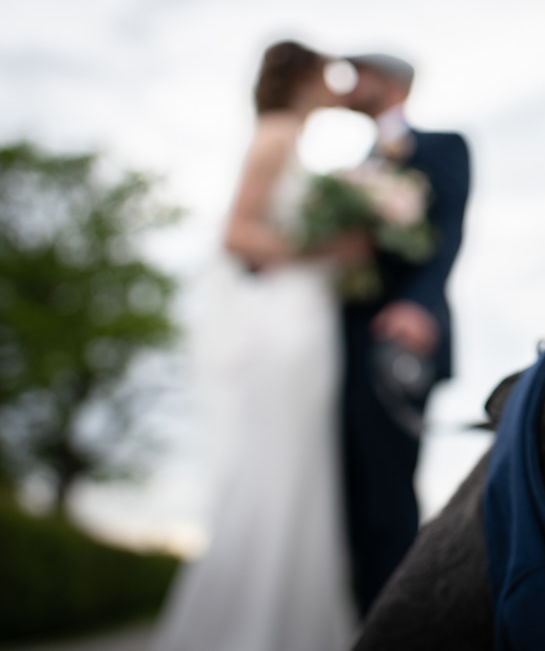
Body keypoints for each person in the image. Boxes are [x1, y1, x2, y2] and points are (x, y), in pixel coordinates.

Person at [154, 41, 362, 651]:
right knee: (276, 465)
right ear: (302, 77)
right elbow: (237, 233)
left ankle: (293, 625)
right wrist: (327, 252)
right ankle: (254, 629)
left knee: (301, 469)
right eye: (326, 73)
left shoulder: (289, 140)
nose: (334, 84)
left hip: (308, 315)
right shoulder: (274, 134)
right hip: (286, 320)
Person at [338, 53, 470, 617]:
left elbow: (449, 232)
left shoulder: (443, 146)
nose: (348, 84)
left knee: (388, 495)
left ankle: (397, 629)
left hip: (400, 342)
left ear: (390, 83)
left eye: (358, 73)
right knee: (347, 494)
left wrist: (418, 306)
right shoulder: (350, 172)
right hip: (339, 346)